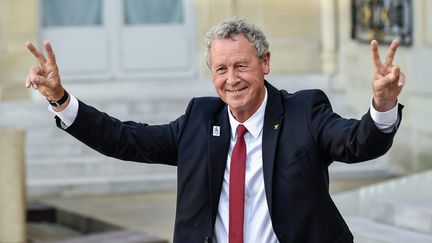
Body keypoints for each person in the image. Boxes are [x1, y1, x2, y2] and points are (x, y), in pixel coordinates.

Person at [25, 17, 404, 243]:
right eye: (221, 70)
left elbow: (357, 143)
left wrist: (383, 105)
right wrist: (60, 99)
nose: (231, 80)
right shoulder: (200, 120)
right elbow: (124, 138)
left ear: (265, 63)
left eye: (241, 66)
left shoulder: (304, 111)